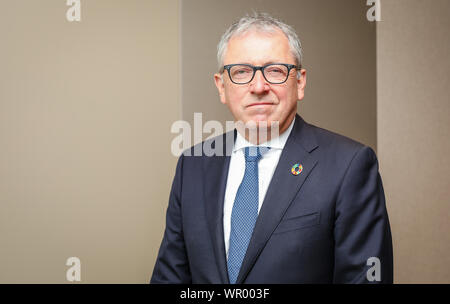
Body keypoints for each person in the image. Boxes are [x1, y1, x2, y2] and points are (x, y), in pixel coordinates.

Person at [151, 13, 393, 284]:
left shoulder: (349, 166)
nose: (258, 87)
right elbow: (169, 277)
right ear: (221, 86)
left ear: (299, 82)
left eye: (275, 71)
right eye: (241, 72)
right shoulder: (193, 165)